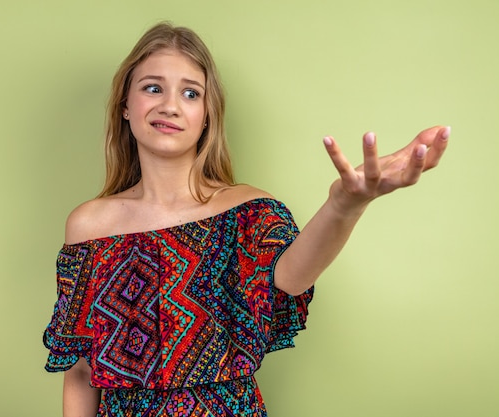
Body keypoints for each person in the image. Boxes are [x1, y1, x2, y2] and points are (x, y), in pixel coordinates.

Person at [42, 22, 449, 417]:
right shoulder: (90, 227)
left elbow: (291, 277)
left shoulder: (248, 212)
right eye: (153, 88)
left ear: (206, 116)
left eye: (190, 93)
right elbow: (81, 370)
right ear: (125, 106)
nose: (169, 105)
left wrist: (345, 204)